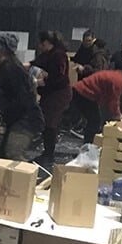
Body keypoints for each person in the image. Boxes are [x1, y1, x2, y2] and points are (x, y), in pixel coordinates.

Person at [0, 33, 44, 161]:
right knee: (4, 157)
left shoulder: (10, 68)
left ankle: (25, 180)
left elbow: (21, 98)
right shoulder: (13, 65)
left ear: (0, 49)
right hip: (21, 119)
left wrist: (8, 112)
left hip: (25, 120)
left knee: (13, 155)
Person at [71, 65, 122, 144]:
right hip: (84, 92)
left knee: (95, 119)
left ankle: (89, 143)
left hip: (84, 91)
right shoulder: (119, 81)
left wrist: (119, 114)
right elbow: (114, 101)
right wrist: (118, 115)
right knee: (94, 120)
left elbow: (110, 100)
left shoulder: (118, 75)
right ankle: (88, 145)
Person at [31, 31, 72, 163]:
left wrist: (41, 82)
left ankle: (49, 154)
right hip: (51, 93)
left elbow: (58, 77)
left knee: (50, 123)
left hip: (58, 94)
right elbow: (39, 62)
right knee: (47, 122)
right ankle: (47, 152)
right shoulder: (49, 54)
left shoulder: (58, 55)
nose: (40, 46)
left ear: (47, 43)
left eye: (42, 44)